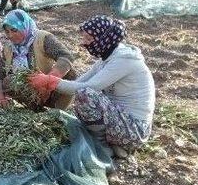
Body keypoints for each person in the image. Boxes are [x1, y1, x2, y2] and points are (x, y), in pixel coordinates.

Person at [29, 15, 155, 158]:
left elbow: (87, 87)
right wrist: (50, 82)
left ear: (105, 38)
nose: (84, 44)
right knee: (82, 97)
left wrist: (49, 81)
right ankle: (115, 145)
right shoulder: (107, 58)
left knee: (86, 95)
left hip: (135, 130)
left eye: (89, 39)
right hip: (121, 121)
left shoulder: (123, 60)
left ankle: (101, 146)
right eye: (84, 39)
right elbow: (80, 81)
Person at [0, 9, 77, 109]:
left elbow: (66, 56)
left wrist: (48, 81)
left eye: (14, 30)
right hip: (30, 92)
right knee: (8, 81)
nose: (10, 35)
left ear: (24, 26)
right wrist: (0, 97)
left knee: (70, 73)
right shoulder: (8, 48)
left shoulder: (42, 38)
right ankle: (35, 108)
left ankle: (57, 110)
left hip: (51, 89)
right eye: (7, 32)